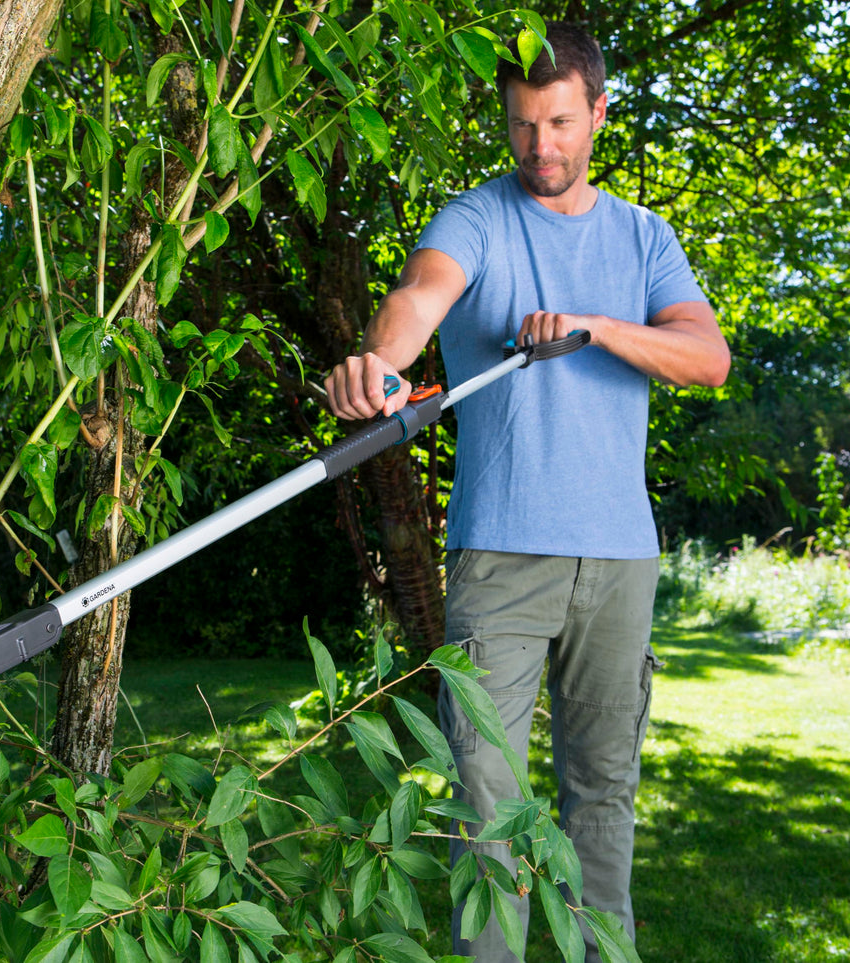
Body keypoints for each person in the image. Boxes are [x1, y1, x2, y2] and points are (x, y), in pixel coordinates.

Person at [323, 21, 731, 963]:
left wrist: (593, 326)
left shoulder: (642, 236)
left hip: (620, 559)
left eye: (556, 123)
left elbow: (705, 357)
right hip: (500, 558)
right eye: (519, 125)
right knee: (489, 806)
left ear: (596, 112)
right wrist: (379, 365)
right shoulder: (475, 218)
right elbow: (421, 296)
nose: (538, 148)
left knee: (602, 795)